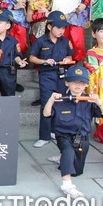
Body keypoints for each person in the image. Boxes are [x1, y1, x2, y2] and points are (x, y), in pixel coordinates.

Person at [43, 64, 103, 198]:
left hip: (82, 138)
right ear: (67, 83)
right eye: (74, 82)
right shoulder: (60, 99)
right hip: (63, 135)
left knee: (77, 170)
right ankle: (68, 186)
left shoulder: (89, 101)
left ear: (86, 85)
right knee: (67, 150)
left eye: (81, 83)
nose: (78, 86)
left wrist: (98, 101)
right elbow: (46, 114)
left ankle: (63, 159)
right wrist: (51, 100)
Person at [29, 11, 74, 148]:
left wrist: (68, 59)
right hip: (47, 75)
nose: (61, 31)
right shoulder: (41, 41)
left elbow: (71, 57)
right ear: (49, 27)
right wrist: (44, 61)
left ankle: (55, 131)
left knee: (60, 104)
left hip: (62, 75)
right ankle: (44, 136)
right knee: (46, 104)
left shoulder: (66, 42)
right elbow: (31, 58)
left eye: (63, 28)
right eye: (58, 28)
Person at [0, 9, 28, 97]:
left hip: (8, 73)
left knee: (8, 98)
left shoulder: (13, 41)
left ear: (8, 25)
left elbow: (16, 55)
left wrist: (19, 61)